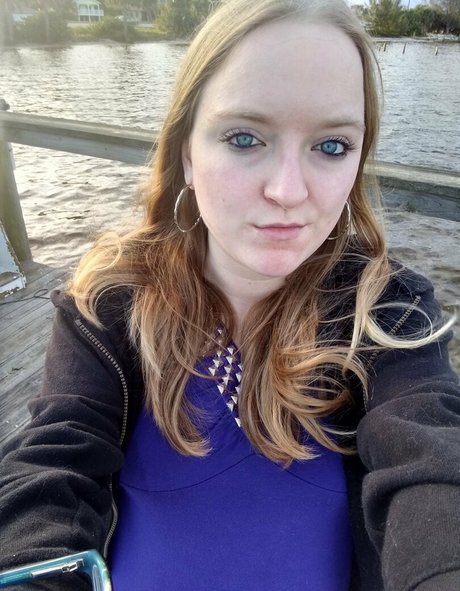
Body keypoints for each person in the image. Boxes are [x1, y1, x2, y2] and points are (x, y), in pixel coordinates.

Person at [0, 0, 459, 589]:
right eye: (244, 138)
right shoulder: (111, 304)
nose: (288, 190)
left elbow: (428, 445)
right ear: (187, 153)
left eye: (331, 146)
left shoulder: (387, 312)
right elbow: (55, 456)